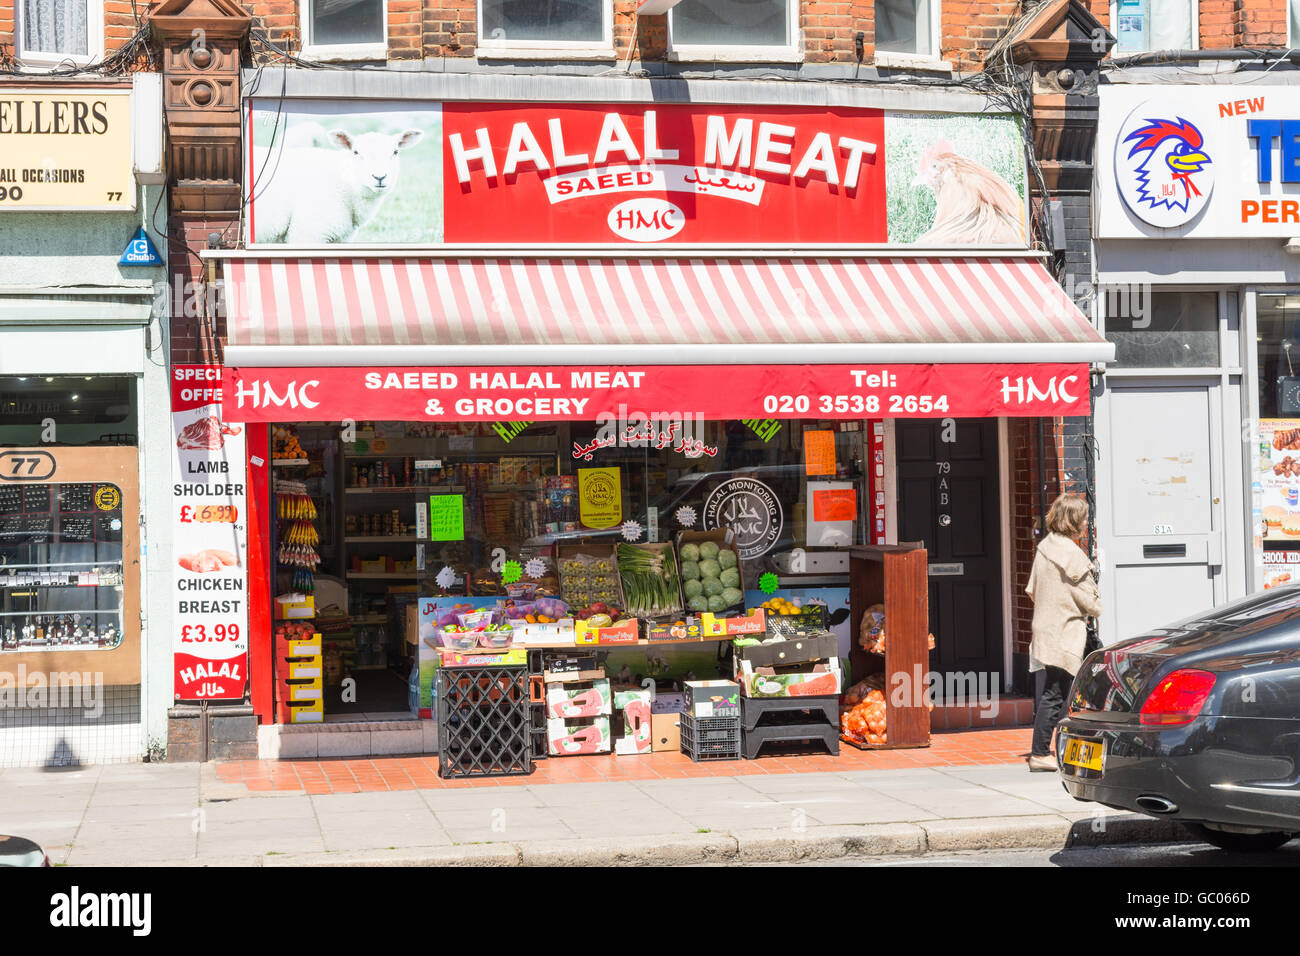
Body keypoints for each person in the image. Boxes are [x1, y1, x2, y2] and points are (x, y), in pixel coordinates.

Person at [1025, 494, 1101, 771]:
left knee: (1055, 690)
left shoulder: (1045, 547)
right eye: (1083, 516)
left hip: (1046, 628)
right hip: (1066, 631)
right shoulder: (1072, 555)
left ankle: (1055, 749)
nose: (1086, 521)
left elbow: (1032, 590)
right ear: (1073, 521)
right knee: (1058, 693)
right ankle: (1040, 753)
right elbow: (1092, 603)